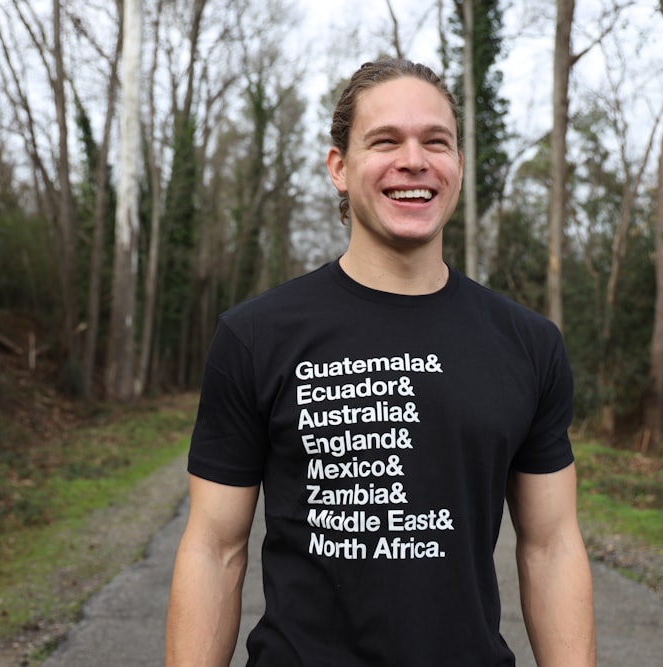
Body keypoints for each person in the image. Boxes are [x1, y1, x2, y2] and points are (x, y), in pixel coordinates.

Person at [165, 58, 595, 667]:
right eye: (385, 140)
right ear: (339, 168)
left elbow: (551, 546)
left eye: (436, 142)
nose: (414, 161)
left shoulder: (528, 343)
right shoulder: (256, 335)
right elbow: (214, 547)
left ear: (459, 167)